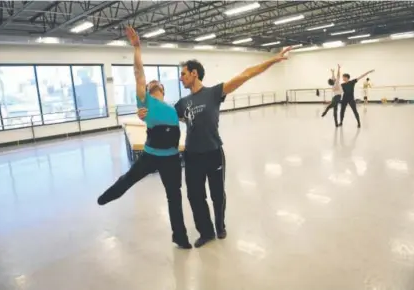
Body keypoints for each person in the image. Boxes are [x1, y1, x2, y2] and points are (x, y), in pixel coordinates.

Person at [138, 46, 293, 247]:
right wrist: (144, 115)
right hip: (192, 155)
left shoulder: (213, 93)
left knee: (217, 194)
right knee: (195, 196)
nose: (180, 78)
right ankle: (206, 232)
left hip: (213, 152)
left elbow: (245, 75)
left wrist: (273, 60)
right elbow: (162, 119)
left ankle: (220, 226)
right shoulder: (182, 103)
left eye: (183, 74)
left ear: (194, 74)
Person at [97, 26, 192, 249]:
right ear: (148, 89)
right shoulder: (145, 102)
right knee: (128, 179)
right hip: (150, 156)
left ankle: (179, 235)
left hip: (171, 158)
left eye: (156, 83)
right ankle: (109, 195)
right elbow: (139, 73)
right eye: (150, 83)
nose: (153, 83)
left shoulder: (171, 108)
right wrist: (137, 47)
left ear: (163, 89)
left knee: (174, 198)